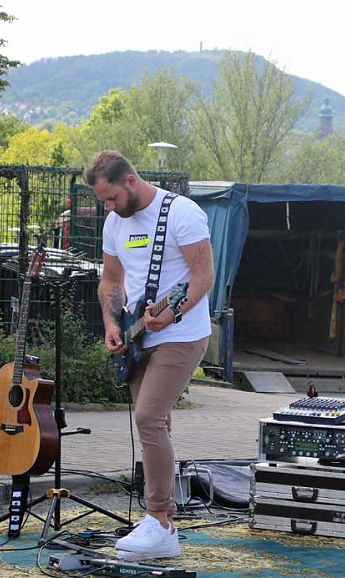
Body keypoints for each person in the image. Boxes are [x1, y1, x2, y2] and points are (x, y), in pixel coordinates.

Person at [84, 150, 213, 561]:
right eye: (104, 201)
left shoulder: (182, 213)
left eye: (112, 198)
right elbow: (111, 281)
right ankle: (162, 525)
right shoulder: (113, 223)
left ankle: (159, 519)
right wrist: (111, 324)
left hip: (183, 334)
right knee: (157, 426)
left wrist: (174, 310)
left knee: (148, 418)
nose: (109, 206)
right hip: (138, 337)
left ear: (131, 181)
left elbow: (203, 275)